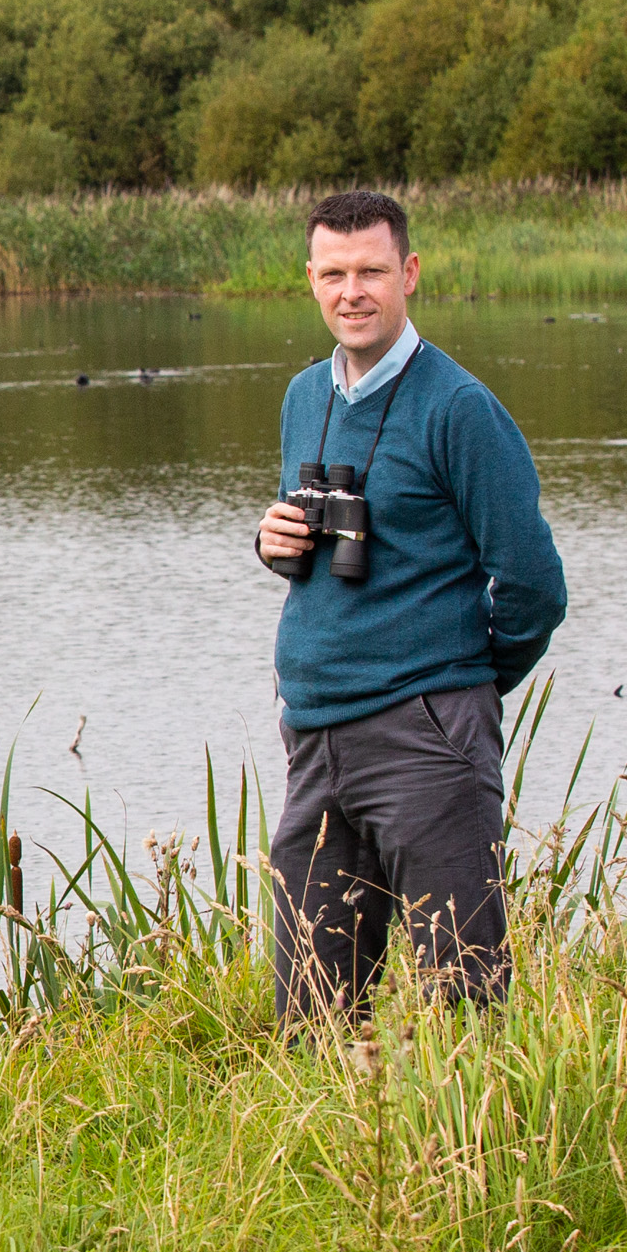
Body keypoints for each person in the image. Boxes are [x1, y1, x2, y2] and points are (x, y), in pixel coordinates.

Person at [254, 189, 567, 1022]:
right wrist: (273, 545)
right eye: (333, 273)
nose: (351, 292)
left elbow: (535, 584)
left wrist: (457, 687)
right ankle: (341, 1151)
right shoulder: (302, 396)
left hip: (426, 735)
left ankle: (481, 1150)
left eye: (371, 272)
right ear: (310, 279)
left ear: (410, 274)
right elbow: (316, 552)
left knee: (462, 993)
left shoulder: (460, 409)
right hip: (315, 735)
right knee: (310, 1009)